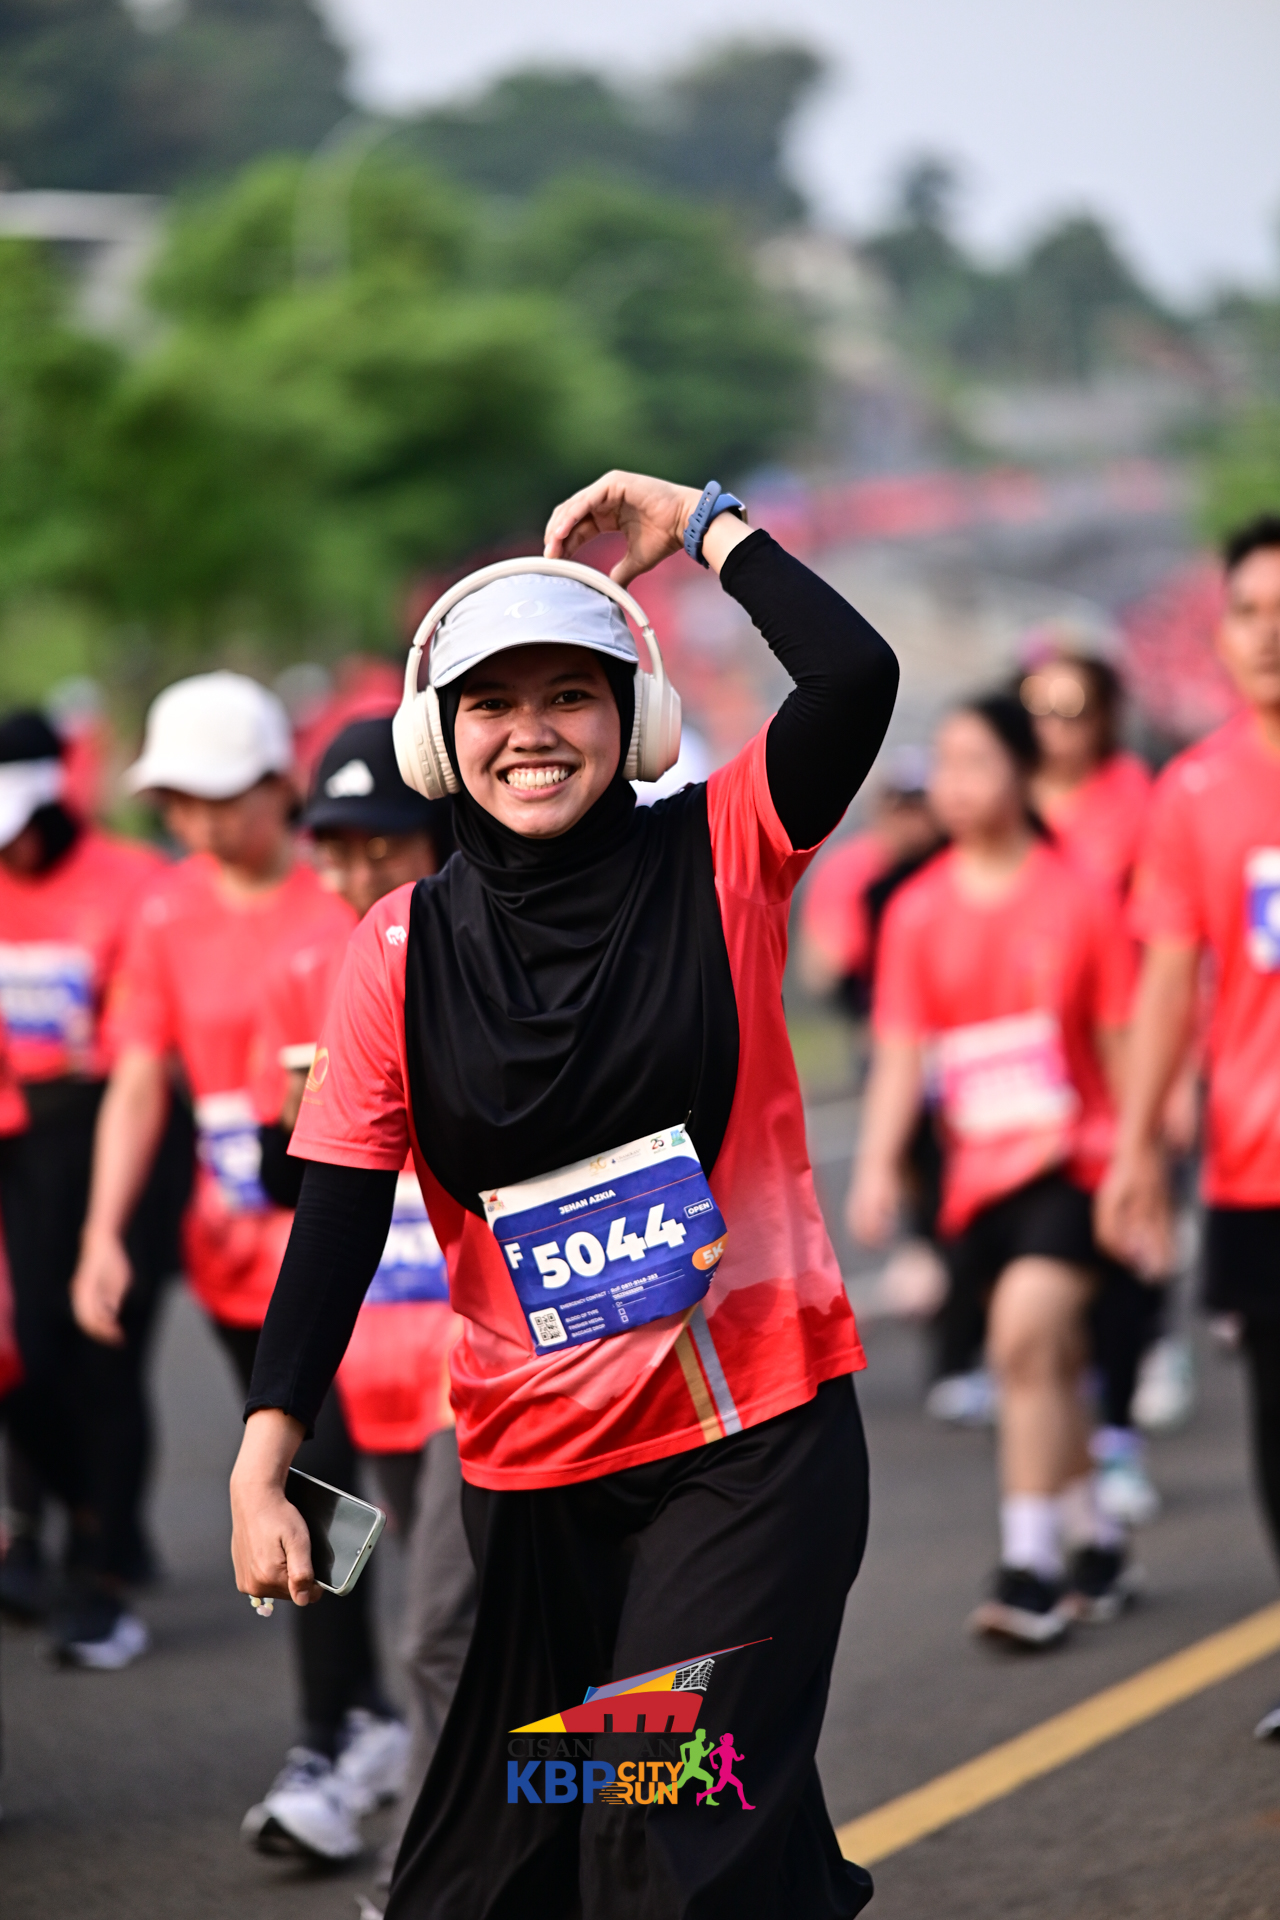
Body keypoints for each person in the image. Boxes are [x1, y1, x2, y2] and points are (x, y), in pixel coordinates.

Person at [229, 468, 898, 1919]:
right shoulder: (396, 950)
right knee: (508, 1865)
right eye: (490, 703)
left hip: (747, 1444)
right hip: (532, 1477)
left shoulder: (725, 851)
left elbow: (854, 676)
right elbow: (337, 1209)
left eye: (570, 696)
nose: (530, 731)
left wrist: (705, 521)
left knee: (657, 1829)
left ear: (633, 719)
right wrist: (265, 1449)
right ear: (438, 738)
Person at [70, 672, 405, 1850]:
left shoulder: (347, 897)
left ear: (280, 786)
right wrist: (105, 1229)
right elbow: (138, 1076)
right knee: (316, 1490)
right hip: (229, 1258)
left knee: (322, 1479)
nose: (202, 822)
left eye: (224, 796)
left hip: (353, 1255)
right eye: (179, 801)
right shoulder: (166, 914)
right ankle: (364, 1710)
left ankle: (341, 1726)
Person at [850, 693, 1136, 1646]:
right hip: (978, 1178)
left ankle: (1030, 1568)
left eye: (977, 762)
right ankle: (1097, 1539)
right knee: (1046, 1357)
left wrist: (1142, 1158)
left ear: (1022, 769)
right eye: (947, 766)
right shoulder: (917, 911)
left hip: (1075, 1162)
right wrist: (878, 1166)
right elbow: (900, 1053)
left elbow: (1121, 1038)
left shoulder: (1077, 894)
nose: (957, 785)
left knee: (1022, 1334)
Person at [249, 715, 471, 1876]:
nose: (354, 872)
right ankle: (349, 1741)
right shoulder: (302, 971)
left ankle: (437, 1860)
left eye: (381, 846)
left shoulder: (473, 957)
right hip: (354, 1350)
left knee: (443, 1623)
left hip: (467, 1357)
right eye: (333, 849)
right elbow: (279, 1181)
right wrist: (297, 1127)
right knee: (350, 1577)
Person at [1096, 512, 1280, 1737]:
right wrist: (1133, 1151)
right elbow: (1165, 981)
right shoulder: (1194, 792)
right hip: (1255, 1163)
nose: (1265, 636)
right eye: (1246, 613)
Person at [0, 710, 192, 1667]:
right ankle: (54, 1525)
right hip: (21, 1143)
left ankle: (101, 1572)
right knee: (28, 1356)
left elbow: (147, 1049)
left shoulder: (134, 882)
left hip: (125, 1132)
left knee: (105, 1359)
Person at [1019, 644, 1171, 1527]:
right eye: (1038, 707)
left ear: (1107, 716)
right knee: (1044, 1264)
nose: (1054, 726)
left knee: (1126, 1239)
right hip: (1035, 1066)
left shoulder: (1136, 799)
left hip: (1126, 1046)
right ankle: (1074, 1442)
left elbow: (1168, 938)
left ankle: (1117, 1428)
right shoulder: (1012, 799)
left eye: (1072, 708)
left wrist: (1173, 1072)